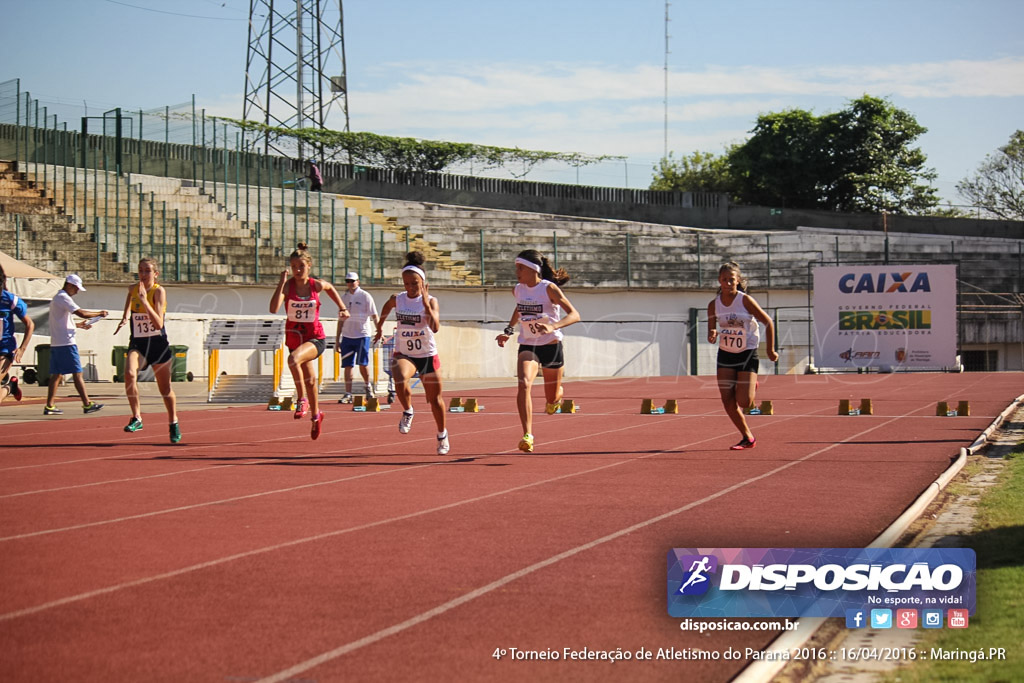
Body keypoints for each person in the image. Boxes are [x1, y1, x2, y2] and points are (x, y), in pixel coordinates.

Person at [495, 249, 580, 453]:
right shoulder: (518, 289)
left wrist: (552, 326)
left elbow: (575, 314)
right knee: (524, 383)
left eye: (520, 268)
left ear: (533, 269)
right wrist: (508, 331)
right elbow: (519, 308)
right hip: (528, 344)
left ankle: (556, 398)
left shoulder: (549, 289)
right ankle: (527, 435)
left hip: (551, 345)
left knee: (551, 398)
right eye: (516, 267)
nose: (517, 272)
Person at [373, 252, 450, 455]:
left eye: (414, 283)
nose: (410, 287)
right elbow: (386, 306)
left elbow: (435, 327)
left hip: (426, 355)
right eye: (406, 283)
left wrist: (425, 304)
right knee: (398, 375)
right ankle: (408, 410)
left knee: (435, 400)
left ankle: (442, 434)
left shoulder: (432, 301)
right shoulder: (398, 299)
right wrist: (380, 326)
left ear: (424, 283)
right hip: (405, 353)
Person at [270, 243, 349, 440]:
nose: (297, 270)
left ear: (309, 266)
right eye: (294, 266)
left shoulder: (316, 285)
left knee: (293, 360)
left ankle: (302, 399)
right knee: (311, 379)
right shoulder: (288, 286)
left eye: (301, 266)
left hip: (315, 337)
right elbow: (273, 308)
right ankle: (316, 415)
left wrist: (342, 307)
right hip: (294, 338)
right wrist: (281, 283)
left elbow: (330, 288)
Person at [707, 261, 778, 450]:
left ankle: (751, 385)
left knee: (744, 402)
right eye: (724, 280)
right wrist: (712, 334)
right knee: (727, 399)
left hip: (747, 352)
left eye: (732, 280)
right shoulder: (713, 305)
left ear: (738, 280)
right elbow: (712, 329)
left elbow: (768, 322)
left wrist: (770, 350)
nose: (728, 283)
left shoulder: (745, 300)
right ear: (719, 281)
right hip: (726, 354)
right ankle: (747, 437)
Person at [113, 258, 181, 443]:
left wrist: (144, 301)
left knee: (165, 390)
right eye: (140, 270)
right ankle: (137, 417)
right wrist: (125, 316)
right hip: (138, 344)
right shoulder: (133, 289)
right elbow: (129, 295)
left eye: (147, 271)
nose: (143, 274)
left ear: (155, 274)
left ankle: (173, 421)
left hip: (157, 345)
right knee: (128, 373)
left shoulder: (159, 291)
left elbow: (158, 323)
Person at [43, 274, 107, 415]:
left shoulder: (58, 298)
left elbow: (62, 320)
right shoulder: (63, 298)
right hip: (66, 343)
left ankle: (50, 405)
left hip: (57, 342)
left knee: (56, 375)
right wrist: (99, 313)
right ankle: (86, 404)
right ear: (69, 285)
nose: (77, 291)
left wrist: (77, 325)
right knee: (78, 373)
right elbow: (81, 313)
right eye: (76, 288)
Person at [335, 271, 379, 404]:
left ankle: (368, 387)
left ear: (358, 282)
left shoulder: (365, 296)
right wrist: (338, 339)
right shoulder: (344, 298)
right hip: (347, 336)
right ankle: (348, 393)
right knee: (347, 365)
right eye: (348, 281)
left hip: (362, 335)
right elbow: (340, 320)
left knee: (363, 363)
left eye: (352, 281)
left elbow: (374, 315)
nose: (350, 284)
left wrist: (379, 330)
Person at [1, 264, 35, 405]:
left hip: (4, 350)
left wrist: (22, 348)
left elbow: (30, 324)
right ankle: (11, 386)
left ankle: (9, 387)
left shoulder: (9, 300)